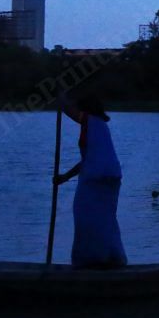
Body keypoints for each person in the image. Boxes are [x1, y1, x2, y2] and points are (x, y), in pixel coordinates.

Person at [54, 91, 128, 268]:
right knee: (105, 217)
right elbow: (87, 160)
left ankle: (91, 260)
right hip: (110, 176)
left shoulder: (90, 120)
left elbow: (70, 111)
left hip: (97, 177)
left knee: (85, 215)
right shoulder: (100, 126)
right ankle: (109, 258)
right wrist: (64, 177)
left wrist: (60, 97)